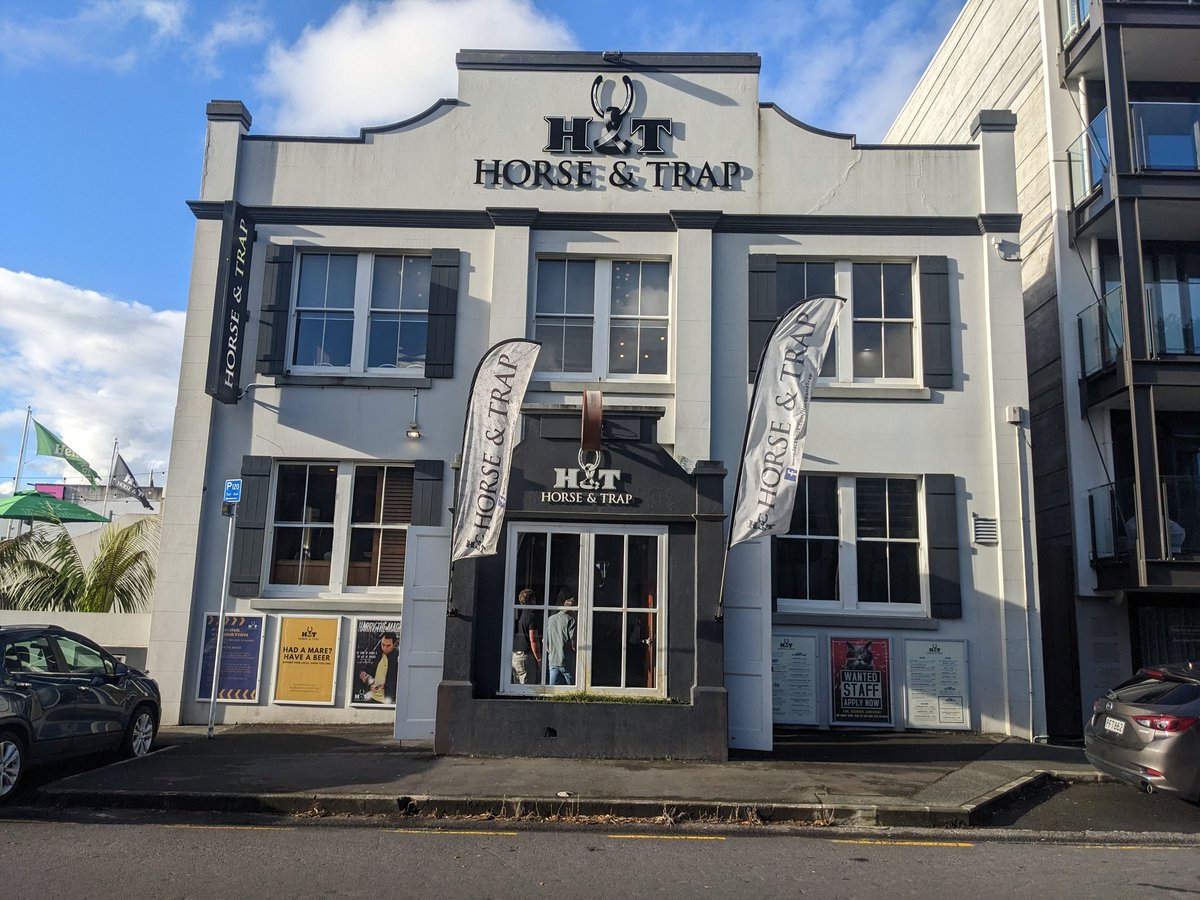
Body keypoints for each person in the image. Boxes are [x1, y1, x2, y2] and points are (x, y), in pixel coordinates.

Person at [546, 587, 578, 686]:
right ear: (573, 610)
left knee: (552, 689)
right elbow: (573, 643)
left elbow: (545, 641)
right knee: (572, 689)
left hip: (553, 659)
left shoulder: (551, 619)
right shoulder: (571, 620)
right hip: (565, 659)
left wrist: (551, 651)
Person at [358, 631, 398, 703]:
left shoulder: (397, 658)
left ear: (394, 644)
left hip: (387, 699)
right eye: (383, 645)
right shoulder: (377, 654)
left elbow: (396, 680)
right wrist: (363, 674)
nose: (384, 648)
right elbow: (367, 668)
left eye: (388, 645)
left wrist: (383, 686)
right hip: (371, 695)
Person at [512, 588, 542, 684]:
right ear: (531, 600)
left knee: (517, 687)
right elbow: (533, 639)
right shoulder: (531, 616)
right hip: (526, 657)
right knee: (527, 688)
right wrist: (538, 658)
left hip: (515, 656)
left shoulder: (519, 616)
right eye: (534, 600)